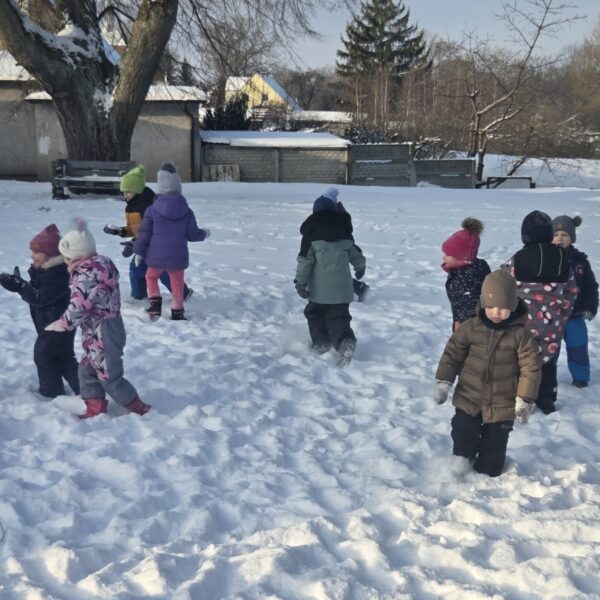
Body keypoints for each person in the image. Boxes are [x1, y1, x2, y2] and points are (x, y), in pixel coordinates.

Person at [434, 270, 541, 477]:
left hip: (502, 401)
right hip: (469, 396)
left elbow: (531, 367)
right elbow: (452, 354)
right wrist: (444, 381)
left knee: (495, 446)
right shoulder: (470, 327)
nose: (496, 312)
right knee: (463, 431)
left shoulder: (521, 335)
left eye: (503, 307)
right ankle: (462, 459)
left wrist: (524, 398)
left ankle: (488, 472)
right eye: (491, 306)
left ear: (513, 305)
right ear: (483, 303)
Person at [45, 219, 150, 419]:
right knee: (87, 370)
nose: (65, 261)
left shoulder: (87, 276)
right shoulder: (97, 267)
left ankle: (138, 407)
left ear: (74, 256)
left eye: (66, 257)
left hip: (105, 332)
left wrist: (62, 324)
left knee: (109, 376)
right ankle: (95, 407)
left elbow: (79, 306)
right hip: (97, 332)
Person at [501, 210, 578, 414]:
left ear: (525, 236)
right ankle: (546, 398)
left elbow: (502, 281)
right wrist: (562, 315)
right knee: (548, 363)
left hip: (522, 323)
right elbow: (572, 291)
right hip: (552, 325)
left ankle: (520, 395)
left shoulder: (518, 259)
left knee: (521, 360)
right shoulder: (563, 260)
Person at [0, 224, 79, 399]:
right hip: (55, 325)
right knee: (63, 358)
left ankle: (52, 391)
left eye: (37, 253)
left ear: (51, 255)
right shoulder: (46, 271)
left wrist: (20, 286)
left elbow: (40, 298)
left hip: (57, 326)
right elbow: (37, 293)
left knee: (44, 355)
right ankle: (86, 389)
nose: (33, 256)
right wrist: (21, 284)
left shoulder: (57, 274)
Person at [294, 191, 366, 366]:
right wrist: (360, 268)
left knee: (315, 314)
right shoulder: (344, 232)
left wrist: (300, 282)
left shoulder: (311, 236)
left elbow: (305, 261)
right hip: (342, 290)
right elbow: (356, 254)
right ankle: (344, 342)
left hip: (318, 291)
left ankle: (321, 343)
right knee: (339, 317)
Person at [103, 164, 192, 301]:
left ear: (137, 191)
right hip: (144, 246)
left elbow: (150, 230)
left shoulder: (147, 207)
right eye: (123, 192)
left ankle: (182, 293)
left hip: (157, 246)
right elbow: (136, 229)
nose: (125, 195)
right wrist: (118, 231)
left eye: (128, 192)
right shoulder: (133, 205)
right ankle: (139, 296)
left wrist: (134, 244)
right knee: (137, 269)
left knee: (161, 272)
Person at [133, 163, 210, 320]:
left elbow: (144, 234)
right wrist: (204, 234)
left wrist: (139, 252)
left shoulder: (152, 210)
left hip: (156, 256)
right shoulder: (187, 211)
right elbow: (193, 234)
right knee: (177, 283)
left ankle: (155, 305)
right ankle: (177, 311)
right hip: (177, 257)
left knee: (151, 277)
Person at [552, 215, 598, 387]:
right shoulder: (545, 258)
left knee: (578, 347)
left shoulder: (581, 262)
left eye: (564, 235)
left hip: (575, 315)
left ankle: (580, 377)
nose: (559, 239)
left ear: (572, 238)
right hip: (551, 315)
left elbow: (591, 286)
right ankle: (546, 376)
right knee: (550, 348)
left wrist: (590, 307)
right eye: (555, 235)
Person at [441, 218, 491, 331]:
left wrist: (460, 324)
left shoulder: (467, 279)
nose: (443, 258)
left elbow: (468, 308)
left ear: (463, 258)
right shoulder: (471, 269)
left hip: (470, 330)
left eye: (448, 255)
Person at [324, 187, 370, 302]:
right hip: (329, 247)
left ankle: (359, 288)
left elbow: (351, 247)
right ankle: (358, 287)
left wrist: (360, 266)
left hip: (337, 245)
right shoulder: (329, 211)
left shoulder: (338, 215)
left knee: (333, 273)